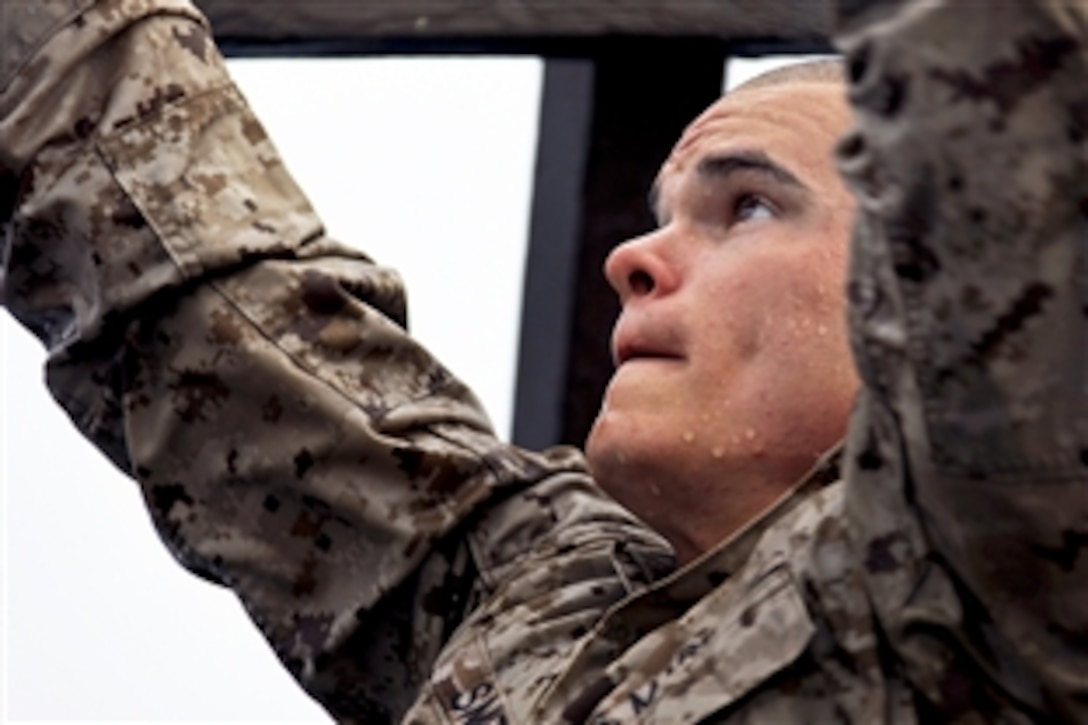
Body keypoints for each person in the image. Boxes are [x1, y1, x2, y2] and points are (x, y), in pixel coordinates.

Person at [2, 0, 1085, 722]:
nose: (631, 256)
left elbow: (1007, 106)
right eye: (662, 213)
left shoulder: (999, 577)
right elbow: (209, 302)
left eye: (746, 206)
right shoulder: (540, 601)